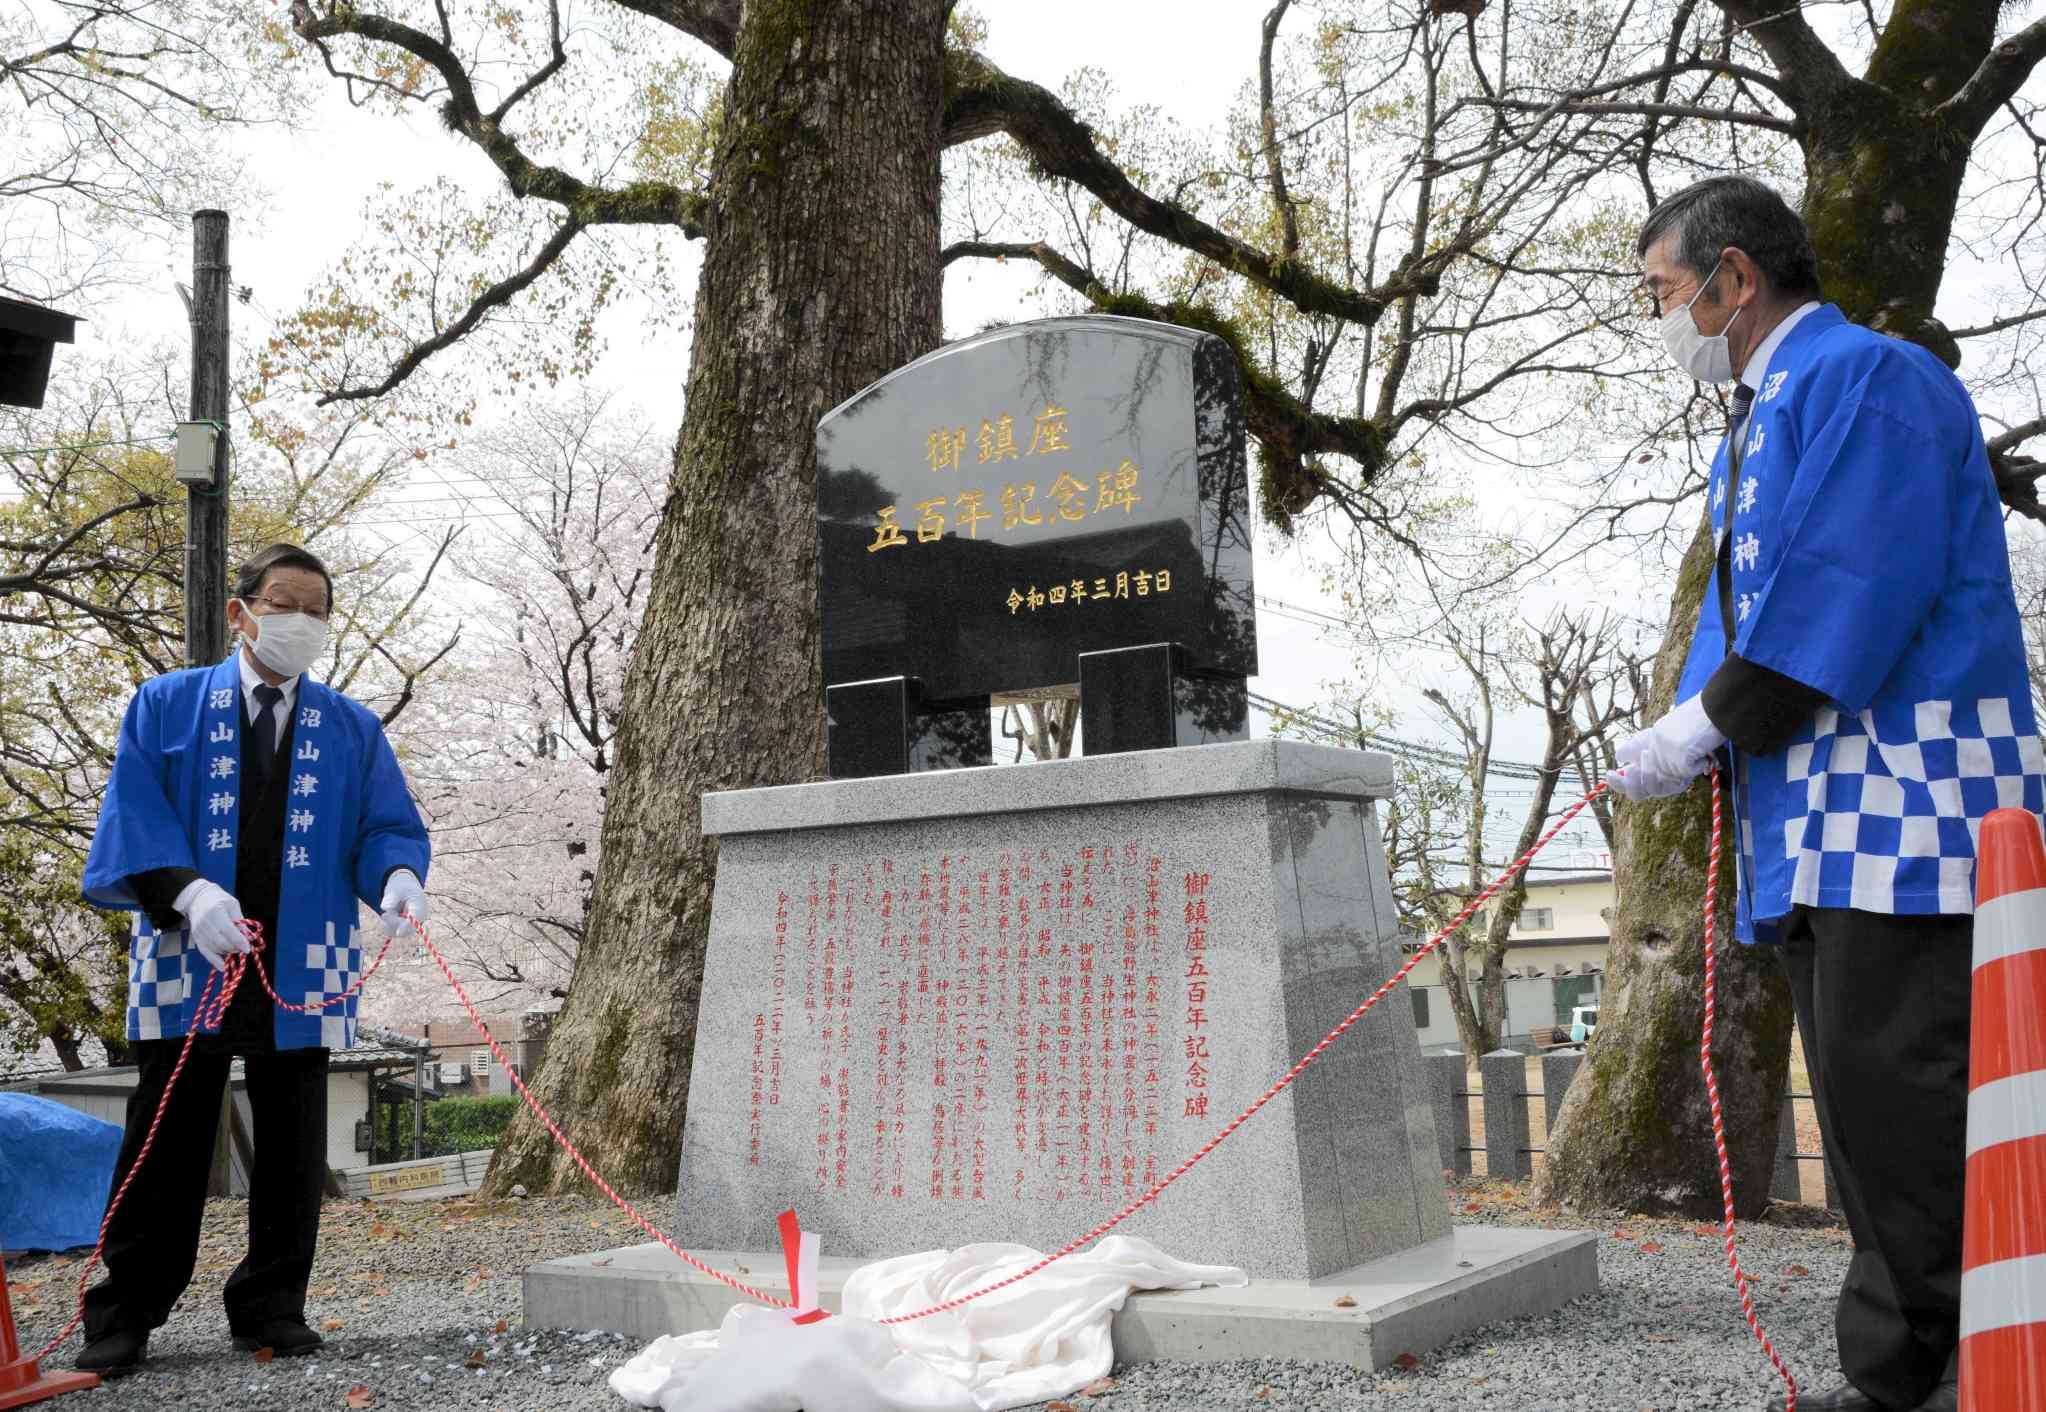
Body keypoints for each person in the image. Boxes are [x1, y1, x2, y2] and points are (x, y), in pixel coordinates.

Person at [1611, 176, 2046, 1412]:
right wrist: (1685, 732)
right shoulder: (1756, 419)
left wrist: (1704, 722)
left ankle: (1942, 1365)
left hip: (1912, 798)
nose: (1664, 321)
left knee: (1914, 1086)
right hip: (1809, 811)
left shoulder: (1879, 378)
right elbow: (1733, 620)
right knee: (1860, 1096)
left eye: (1665, 294)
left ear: (1733, 279)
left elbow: (1852, 577)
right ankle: (1916, 1361)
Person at [72, 542, 432, 1377]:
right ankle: (126, 1309)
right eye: (283, 603)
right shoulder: (164, 705)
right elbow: (135, 810)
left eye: (316, 610)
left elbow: (387, 823)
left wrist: (401, 876)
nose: (298, 622)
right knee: (166, 1133)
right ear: (241, 611)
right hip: (189, 946)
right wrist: (191, 894)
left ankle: (272, 1304)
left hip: (305, 954)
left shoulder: (351, 725)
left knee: (295, 1136)